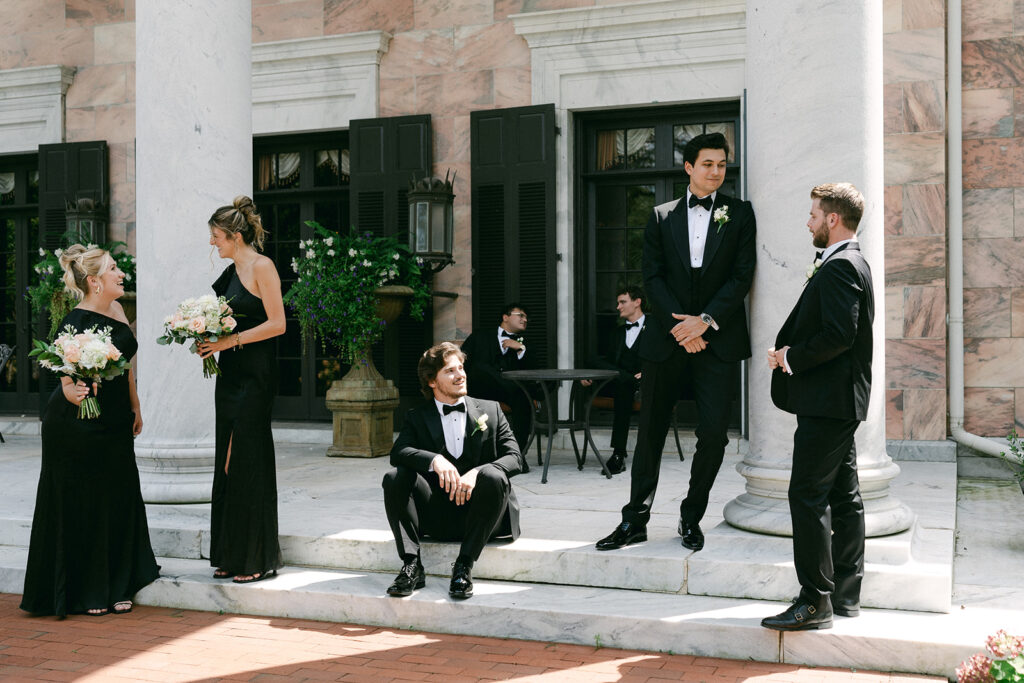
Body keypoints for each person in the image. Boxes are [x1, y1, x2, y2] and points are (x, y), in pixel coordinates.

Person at [596, 132, 756, 553]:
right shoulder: (660, 215)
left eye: (722, 164)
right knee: (649, 431)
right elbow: (653, 276)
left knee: (715, 435)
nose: (716, 171)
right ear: (689, 167)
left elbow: (742, 276)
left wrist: (704, 322)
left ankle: (691, 515)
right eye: (707, 164)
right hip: (667, 342)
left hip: (716, 340)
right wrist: (680, 329)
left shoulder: (740, 213)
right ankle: (635, 520)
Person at [21, 244, 159, 617]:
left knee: (117, 496)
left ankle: (120, 581)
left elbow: (126, 365)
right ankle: (89, 590)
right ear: (95, 282)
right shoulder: (73, 324)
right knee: (87, 503)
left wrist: (135, 405)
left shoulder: (117, 309)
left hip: (114, 420)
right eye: (115, 269)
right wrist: (72, 390)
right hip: (76, 425)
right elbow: (64, 382)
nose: (121, 274)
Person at [761, 183, 872, 632]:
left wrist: (789, 357)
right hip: (838, 401)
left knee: (806, 496)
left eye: (813, 214)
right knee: (845, 498)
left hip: (828, 403)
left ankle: (814, 601)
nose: (808, 221)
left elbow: (839, 335)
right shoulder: (849, 262)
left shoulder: (841, 266)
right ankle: (845, 595)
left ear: (833, 219)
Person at [382, 342, 525, 600]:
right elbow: (398, 453)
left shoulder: (491, 410)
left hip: (484, 515)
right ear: (432, 381)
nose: (461, 375)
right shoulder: (417, 416)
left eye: (461, 368)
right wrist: (434, 459)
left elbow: (515, 458)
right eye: (450, 371)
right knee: (395, 478)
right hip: (437, 515)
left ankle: (463, 567)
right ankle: (412, 565)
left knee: (494, 475)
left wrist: (479, 471)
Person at [197, 196, 287, 584]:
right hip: (229, 375)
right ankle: (231, 554)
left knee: (246, 456)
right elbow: (223, 319)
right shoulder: (231, 269)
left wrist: (228, 343)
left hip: (255, 374)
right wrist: (204, 335)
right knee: (227, 460)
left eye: (216, 237)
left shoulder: (262, 266)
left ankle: (256, 557)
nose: (213, 244)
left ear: (234, 236)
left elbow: (278, 323)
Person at [582, 285, 647, 475]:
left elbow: (665, 356)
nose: (618, 307)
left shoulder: (654, 328)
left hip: (644, 385)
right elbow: (609, 363)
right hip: (621, 383)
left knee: (623, 386)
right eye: (618, 303)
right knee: (593, 361)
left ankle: (618, 454)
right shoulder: (617, 333)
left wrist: (648, 372)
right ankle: (618, 453)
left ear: (637, 302)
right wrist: (592, 376)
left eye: (622, 302)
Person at [460, 303, 534, 451]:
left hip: (509, 392)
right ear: (505, 317)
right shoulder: (480, 335)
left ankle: (517, 455)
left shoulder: (527, 344)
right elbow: (462, 359)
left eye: (526, 317)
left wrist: (521, 349)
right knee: (479, 368)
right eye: (520, 315)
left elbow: (533, 371)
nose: (525, 320)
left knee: (523, 398)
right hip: (478, 389)